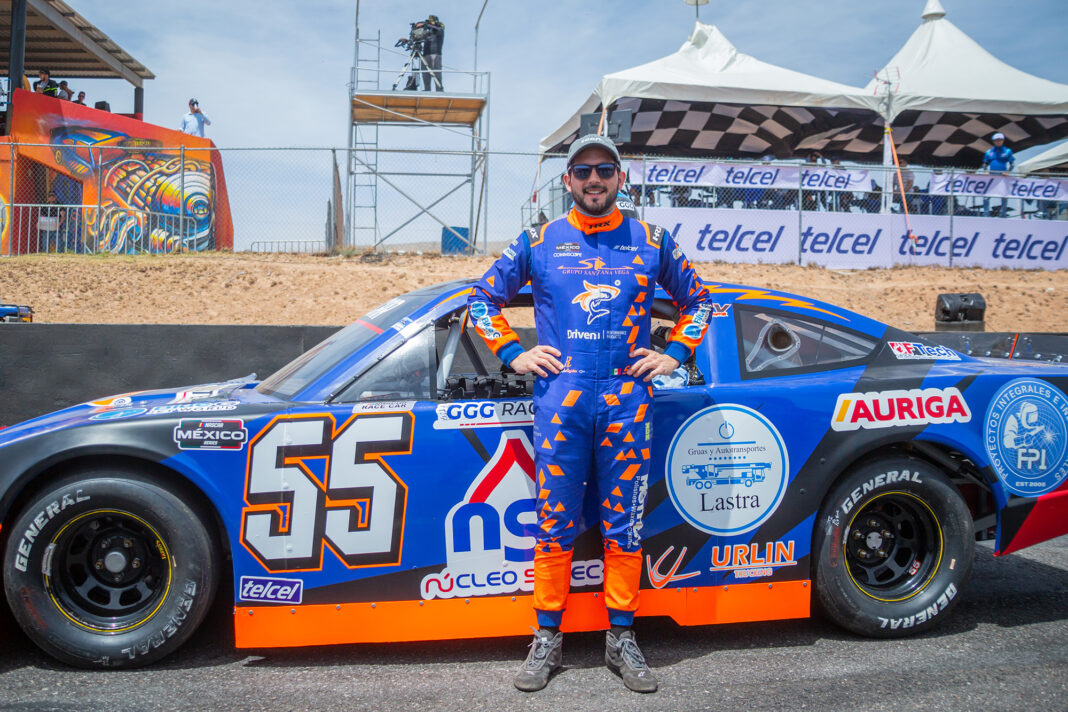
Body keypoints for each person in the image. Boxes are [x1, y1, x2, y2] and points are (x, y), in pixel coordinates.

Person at [467, 134, 712, 694]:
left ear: (620, 178)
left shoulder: (652, 240)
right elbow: (481, 300)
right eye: (582, 170)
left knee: (624, 525)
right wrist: (513, 352)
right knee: (554, 522)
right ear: (568, 181)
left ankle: (621, 637)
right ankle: (546, 637)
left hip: (627, 402)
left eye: (605, 169)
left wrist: (674, 354)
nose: (594, 179)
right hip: (562, 403)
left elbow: (701, 302)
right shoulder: (539, 240)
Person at [982, 132, 1014, 217]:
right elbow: (985, 164)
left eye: (1000, 140)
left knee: (1004, 195)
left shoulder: (1007, 151)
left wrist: (1008, 172)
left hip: (1003, 176)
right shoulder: (989, 152)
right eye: (996, 140)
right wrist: (985, 171)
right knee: (986, 195)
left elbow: (1012, 164)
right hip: (992, 176)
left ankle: (1003, 214)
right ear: (993, 141)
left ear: (1003, 140)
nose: (998, 142)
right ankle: (986, 214)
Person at [420, 15, 444, 91]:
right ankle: (427, 90)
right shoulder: (428, 33)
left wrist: (427, 25)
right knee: (425, 75)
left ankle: (439, 91)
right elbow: (419, 37)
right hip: (425, 56)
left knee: (437, 74)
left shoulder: (440, 30)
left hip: (435, 54)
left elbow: (438, 29)